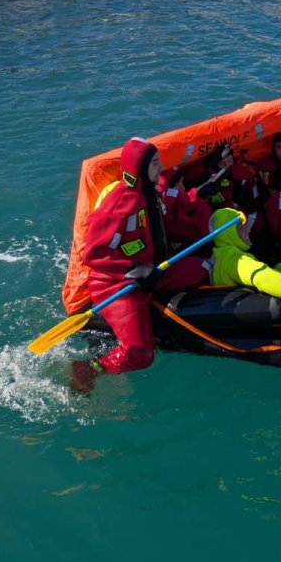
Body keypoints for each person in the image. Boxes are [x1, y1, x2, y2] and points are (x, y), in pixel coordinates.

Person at [73, 138, 211, 391]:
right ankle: (90, 368)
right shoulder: (117, 207)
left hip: (154, 271)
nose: (160, 168)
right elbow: (93, 253)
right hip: (119, 285)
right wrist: (131, 270)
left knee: (204, 268)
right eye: (155, 163)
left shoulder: (150, 194)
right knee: (140, 355)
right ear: (138, 167)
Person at [208, 207, 281, 328]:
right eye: (240, 228)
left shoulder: (221, 256)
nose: (247, 230)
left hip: (246, 320)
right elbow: (262, 277)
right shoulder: (234, 259)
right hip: (263, 324)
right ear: (228, 234)